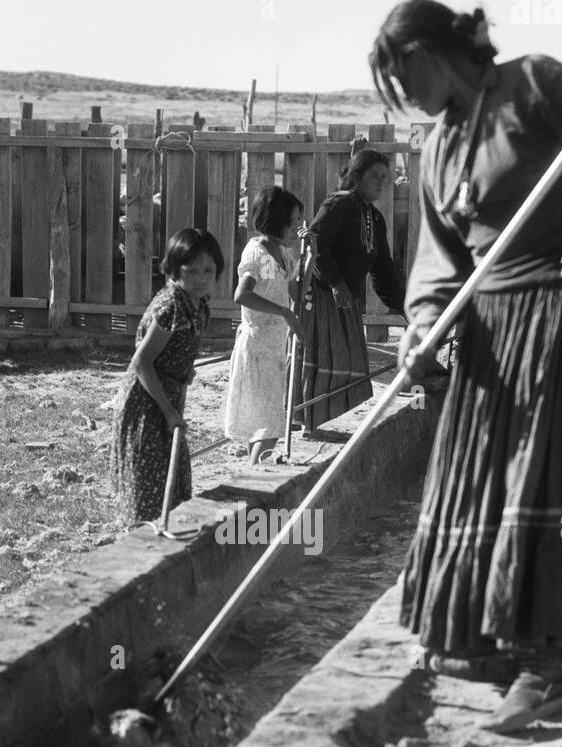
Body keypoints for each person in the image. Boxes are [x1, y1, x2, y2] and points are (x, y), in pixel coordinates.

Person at [369, 0, 562, 733]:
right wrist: (419, 330)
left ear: (435, 49)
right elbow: (438, 258)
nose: (400, 90)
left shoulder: (533, 86)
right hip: (487, 325)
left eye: (401, 68)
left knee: (545, 473)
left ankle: (547, 663)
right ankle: (488, 640)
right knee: (475, 474)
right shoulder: (436, 146)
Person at [110, 228, 223, 526]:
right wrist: (169, 411)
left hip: (168, 397)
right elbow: (142, 362)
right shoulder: (171, 307)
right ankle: (141, 551)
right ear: (174, 270)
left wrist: (185, 369)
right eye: (192, 270)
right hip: (146, 404)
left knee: (172, 482)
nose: (201, 277)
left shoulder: (197, 306)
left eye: (208, 270)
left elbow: (175, 351)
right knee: (149, 484)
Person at [301, 149, 406, 434]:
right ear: (356, 177)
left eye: (386, 177)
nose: (381, 182)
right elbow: (314, 241)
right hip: (322, 295)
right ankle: (307, 426)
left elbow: (382, 270)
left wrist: (407, 309)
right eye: (375, 176)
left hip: (345, 301)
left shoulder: (374, 217)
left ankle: (314, 423)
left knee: (344, 362)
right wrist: (335, 282)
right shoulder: (341, 204)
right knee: (323, 358)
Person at [223, 186, 310, 465]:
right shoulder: (257, 254)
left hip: (275, 346)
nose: (297, 226)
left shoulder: (282, 254)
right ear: (278, 220)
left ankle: (255, 474)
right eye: (294, 220)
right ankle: (255, 478)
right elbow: (242, 295)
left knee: (268, 420)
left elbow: (295, 291)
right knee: (269, 423)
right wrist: (283, 312)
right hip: (259, 346)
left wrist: (312, 256)